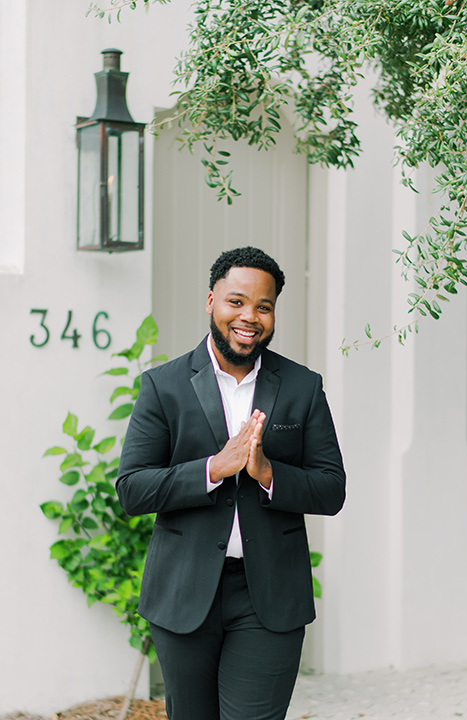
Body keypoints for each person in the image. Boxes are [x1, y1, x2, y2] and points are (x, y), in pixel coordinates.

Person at [116, 246, 346, 720]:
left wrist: (266, 472)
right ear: (210, 301)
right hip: (184, 594)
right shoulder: (164, 386)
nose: (249, 317)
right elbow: (133, 489)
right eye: (236, 302)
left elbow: (330, 488)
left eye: (263, 306)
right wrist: (214, 468)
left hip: (269, 598)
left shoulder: (303, 387)